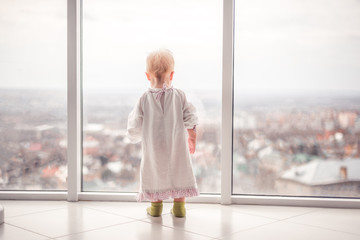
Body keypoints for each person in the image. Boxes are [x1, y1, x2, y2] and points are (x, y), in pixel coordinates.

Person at [126, 49, 199, 217]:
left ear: (147, 75)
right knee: (179, 169)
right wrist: (192, 136)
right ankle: (180, 208)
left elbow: (135, 123)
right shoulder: (180, 95)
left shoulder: (144, 98)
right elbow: (191, 116)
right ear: (172, 75)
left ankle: (156, 207)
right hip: (177, 144)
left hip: (154, 146)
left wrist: (135, 135)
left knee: (155, 170)